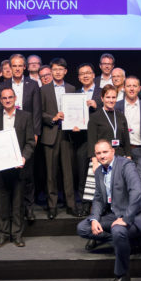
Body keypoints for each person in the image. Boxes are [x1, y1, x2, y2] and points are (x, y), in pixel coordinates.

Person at [76, 140, 141, 281]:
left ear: (112, 151)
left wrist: (126, 218)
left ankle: (122, 276)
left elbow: (136, 193)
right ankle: (122, 243)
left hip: (135, 215)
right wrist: (95, 218)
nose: (102, 156)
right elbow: (97, 198)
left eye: (105, 152)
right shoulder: (98, 172)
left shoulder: (125, 165)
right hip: (114, 213)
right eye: (98, 153)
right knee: (83, 228)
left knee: (118, 230)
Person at [0, 54, 42, 221]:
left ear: (24, 67)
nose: (17, 68)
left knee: (28, 174)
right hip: (7, 133)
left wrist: (36, 133)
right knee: (9, 174)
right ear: (10, 67)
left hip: (26, 133)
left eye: (20, 66)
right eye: (14, 66)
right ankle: (11, 209)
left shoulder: (33, 85)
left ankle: (28, 208)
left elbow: (37, 111)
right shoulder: (4, 85)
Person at [0, 87, 35, 247]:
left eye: (10, 97)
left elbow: (30, 141)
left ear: (15, 98)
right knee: (2, 203)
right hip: (1, 167)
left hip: (19, 167)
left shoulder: (26, 117)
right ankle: (3, 235)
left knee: (18, 204)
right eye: (4, 98)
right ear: (1, 100)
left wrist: (24, 158)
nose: (8, 100)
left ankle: (17, 235)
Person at [40, 58, 78, 218]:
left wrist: (77, 123)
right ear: (51, 71)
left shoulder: (71, 88)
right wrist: (53, 118)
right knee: (51, 173)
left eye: (60, 69)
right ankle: (52, 206)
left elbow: (77, 110)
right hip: (50, 134)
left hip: (67, 135)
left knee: (68, 173)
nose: (57, 72)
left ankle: (71, 204)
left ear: (65, 71)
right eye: (54, 69)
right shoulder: (44, 89)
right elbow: (39, 113)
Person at [74, 63, 102, 215]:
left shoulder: (101, 93)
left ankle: (98, 204)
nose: (85, 75)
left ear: (93, 75)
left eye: (88, 73)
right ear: (78, 77)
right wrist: (72, 124)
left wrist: (96, 104)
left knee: (99, 173)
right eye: (82, 73)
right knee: (82, 172)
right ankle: (84, 204)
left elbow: (108, 109)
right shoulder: (75, 94)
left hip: (99, 139)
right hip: (82, 139)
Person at [87, 84, 130, 169]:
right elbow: (92, 141)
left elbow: (126, 140)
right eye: (108, 97)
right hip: (102, 159)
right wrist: (95, 162)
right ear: (102, 98)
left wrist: (128, 158)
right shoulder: (95, 117)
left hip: (120, 158)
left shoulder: (121, 116)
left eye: (113, 97)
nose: (111, 100)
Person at [115, 76, 141, 159]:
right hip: (121, 151)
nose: (131, 89)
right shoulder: (116, 106)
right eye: (128, 86)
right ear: (124, 88)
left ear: (139, 88)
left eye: (134, 86)